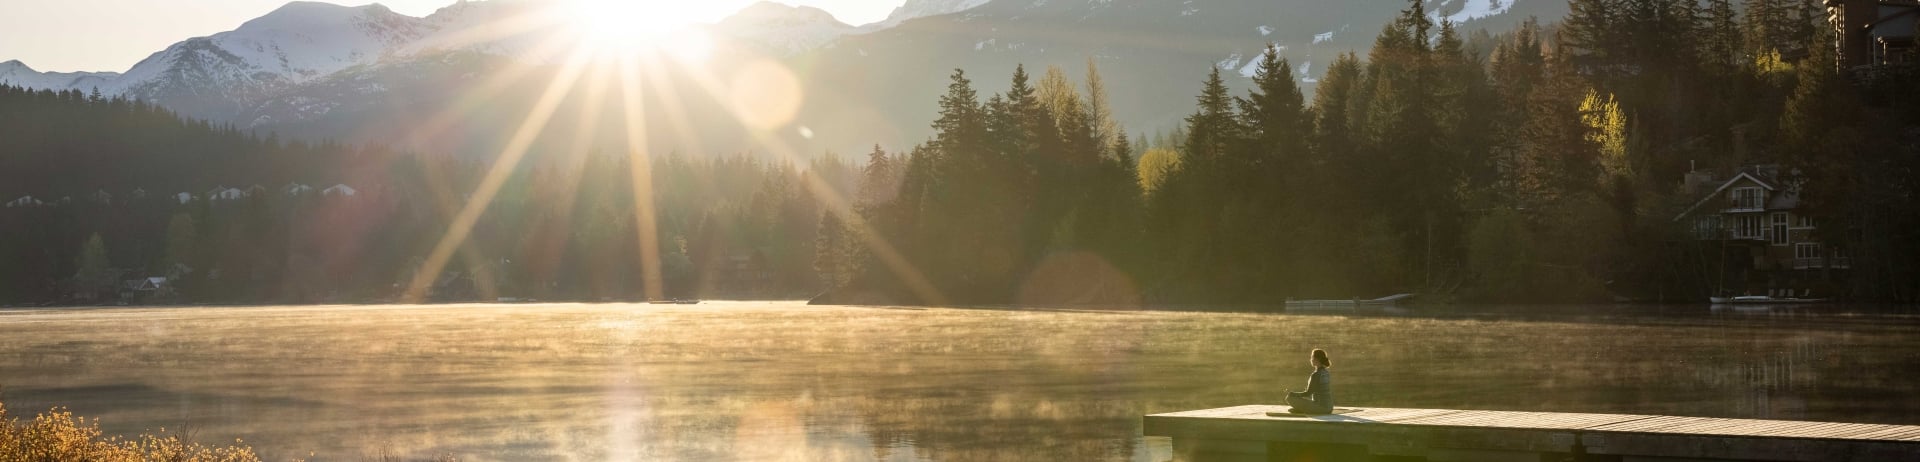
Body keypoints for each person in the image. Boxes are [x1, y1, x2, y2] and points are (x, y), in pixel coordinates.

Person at [1285, 349, 1333, 414]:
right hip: (1329, 407)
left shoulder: (1316, 374)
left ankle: (1303, 409)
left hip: (1321, 408)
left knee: (1289, 398)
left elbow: (1307, 394)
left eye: (1312, 357)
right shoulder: (1326, 372)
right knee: (1302, 402)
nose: (1311, 359)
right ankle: (1303, 409)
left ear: (1317, 359)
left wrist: (1292, 393)